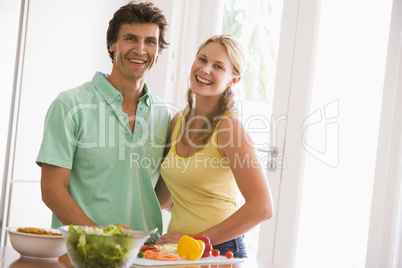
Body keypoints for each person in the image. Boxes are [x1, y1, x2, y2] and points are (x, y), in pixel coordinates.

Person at [37, 1, 171, 240]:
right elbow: (51, 190)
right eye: (130, 38)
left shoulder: (165, 115)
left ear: (158, 51)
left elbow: (162, 191)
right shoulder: (70, 105)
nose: (140, 49)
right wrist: (101, 237)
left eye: (150, 41)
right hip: (82, 251)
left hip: (146, 252)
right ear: (112, 44)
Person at [155, 34, 274, 257]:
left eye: (218, 66)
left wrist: (198, 239)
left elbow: (263, 207)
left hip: (218, 249)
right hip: (178, 250)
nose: (205, 69)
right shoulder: (178, 121)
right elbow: (166, 197)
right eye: (202, 59)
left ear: (233, 80)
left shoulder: (230, 129)